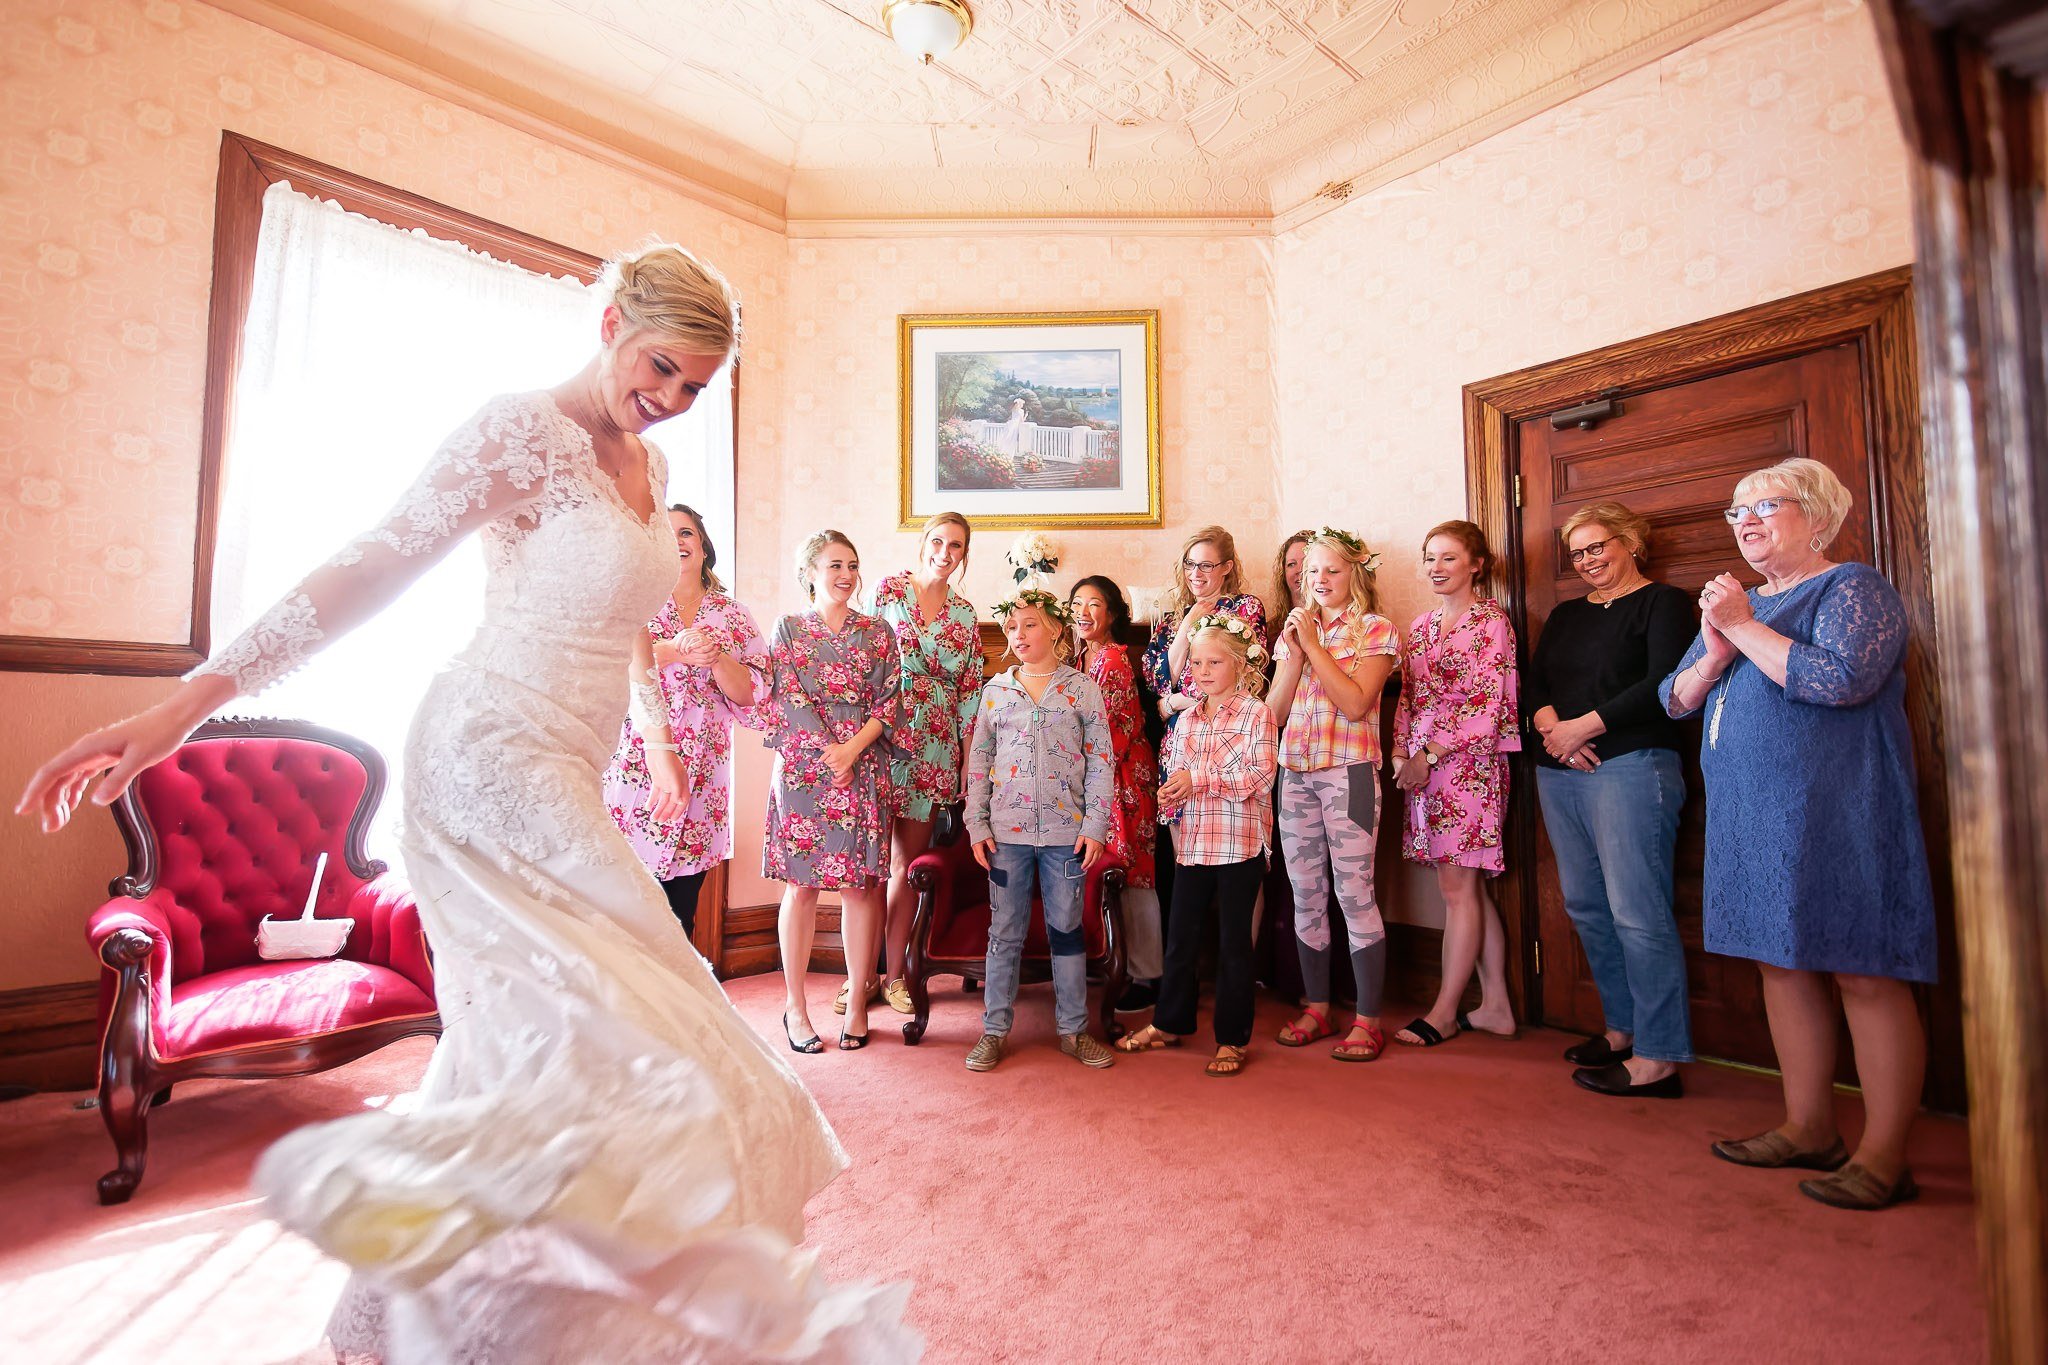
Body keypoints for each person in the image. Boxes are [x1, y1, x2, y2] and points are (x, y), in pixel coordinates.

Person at [15, 244, 912, 1359]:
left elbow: (631, 643)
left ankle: (407, 1325)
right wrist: (182, 710)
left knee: (545, 1052)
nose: (673, 398)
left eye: (695, 387)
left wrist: (651, 739)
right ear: (611, 322)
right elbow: (369, 564)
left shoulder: (650, 468)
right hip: (484, 758)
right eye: (662, 368)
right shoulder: (516, 430)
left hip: (568, 767)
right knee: (632, 1043)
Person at [1661, 458, 1936, 1210]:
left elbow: (1842, 678)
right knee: (1779, 965)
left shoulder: (1852, 587)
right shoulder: (1739, 606)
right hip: (1751, 817)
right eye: (1735, 513)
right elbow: (1677, 699)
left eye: (1764, 507)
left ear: (1816, 514)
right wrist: (1716, 651)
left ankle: (1885, 1155)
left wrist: (1743, 626)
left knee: (1864, 969)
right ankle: (1809, 1125)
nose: (1744, 522)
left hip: (1842, 810)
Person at [1528, 501, 1697, 1099]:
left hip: (1633, 764)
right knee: (1586, 906)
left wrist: (1584, 727)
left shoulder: (1666, 603)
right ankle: (1622, 1031)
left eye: (1599, 546)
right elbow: (1536, 680)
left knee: (1637, 910)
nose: (1589, 559)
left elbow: (1664, 684)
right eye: (1578, 552)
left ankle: (1660, 1056)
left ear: (1630, 542)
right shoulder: (1567, 614)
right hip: (1560, 768)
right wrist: (1556, 732)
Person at [960, 590, 1117, 1073]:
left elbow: (1101, 763)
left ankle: (1073, 1030)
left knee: (1066, 930)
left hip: (1065, 838)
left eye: (1029, 625)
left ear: (1053, 628)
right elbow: (979, 761)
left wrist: (1094, 826)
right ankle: (994, 1031)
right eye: (1012, 628)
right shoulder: (995, 692)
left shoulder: (1082, 689)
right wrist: (976, 823)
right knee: (1003, 932)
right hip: (1006, 836)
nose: (1019, 635)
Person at [1118, 614, 1279, 1077]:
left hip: (1239, 845)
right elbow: (1179, 776)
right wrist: (1170, 792)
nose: (1203, 671)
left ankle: (1231, 1039)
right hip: (1192, 845)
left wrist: (1198, 780)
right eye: (1197, 662)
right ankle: (1169, 1023)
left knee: (1233, 945)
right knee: (1180, 940)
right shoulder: (1187, 719)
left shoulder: (1257, 713)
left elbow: (1260, 776)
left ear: (1240, 665)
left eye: (1215, 662)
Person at [603, 503, 768, 942]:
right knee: (624, 907)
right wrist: (675, 649)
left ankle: (679, 1005)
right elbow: (607, 660)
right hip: (637, 766)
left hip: (704, 776)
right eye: (667, 532)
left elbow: (754, 693)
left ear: (703, 547)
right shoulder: (633, 604)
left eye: (687, 533)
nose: (678, 541)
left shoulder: (733, 615)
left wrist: (716, 657)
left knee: (681, 914)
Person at [1266, 529, 1400, 1062]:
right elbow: (1272, 717)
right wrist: (1296, 655)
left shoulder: (1377, 630)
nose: (1318, 581)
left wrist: (1315, 648)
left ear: (1356, 575)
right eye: (1311, 572)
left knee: (1355, 894)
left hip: (1351, 776)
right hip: (1294, 774)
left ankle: (1369, 1020)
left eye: (1332, 571)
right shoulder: (1293, 633)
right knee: (1306, 895)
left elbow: (1355, 702)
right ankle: (1318, 1006)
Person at [765, 530, 899, 1055]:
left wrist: (852, 750)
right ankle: (795, 1007)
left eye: (852, 564)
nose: (845, 574)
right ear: (811, 572)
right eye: (834, 564)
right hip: (804, 767)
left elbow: (890, 702)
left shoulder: (878, 630)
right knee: (800, 888)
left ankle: (860, 1000)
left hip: (863, 764)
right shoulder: (789, 629)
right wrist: (830, 753)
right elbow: (787, 696)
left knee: (861, 888)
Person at [1391, 520, 1521, 1049]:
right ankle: (1496, 1007)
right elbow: (1409, 697)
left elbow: (1488, 703)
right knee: (1466, 888)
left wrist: (1429, 753)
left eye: (1448, 557)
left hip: (1469, 765)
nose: (1436, 568)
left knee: (1457, 888)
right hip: (1423, 767)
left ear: (1476, 564)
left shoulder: (1491, 621)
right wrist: (1402, 752)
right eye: (1429, 558)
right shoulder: (1420, 627)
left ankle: (1445, 1011)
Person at [868, 513, 981, 1020]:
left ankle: (895, 977)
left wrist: (964, 760)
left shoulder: (965, 613)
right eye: (937, 541)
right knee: (865, 867)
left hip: (935, 747)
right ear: (923, 544)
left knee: (902, 868)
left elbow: (970, 691)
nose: (945, 551)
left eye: (955, 545)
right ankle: (859, 976)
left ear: (963, 555)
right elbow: (864, 659)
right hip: (883, 734)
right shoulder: (889, 590)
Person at [1069, 576, 1161, 1010]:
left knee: (1134, 875)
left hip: (1124, 781)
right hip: (1099, 781)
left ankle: (1147, 977)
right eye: (1077, 604)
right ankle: (1118, 965)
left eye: (1094, 604)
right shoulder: (1080, 658)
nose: (1084, 612)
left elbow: (1110, 735)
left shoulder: (1113, 660)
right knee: (1110, 877)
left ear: (1111, 615)